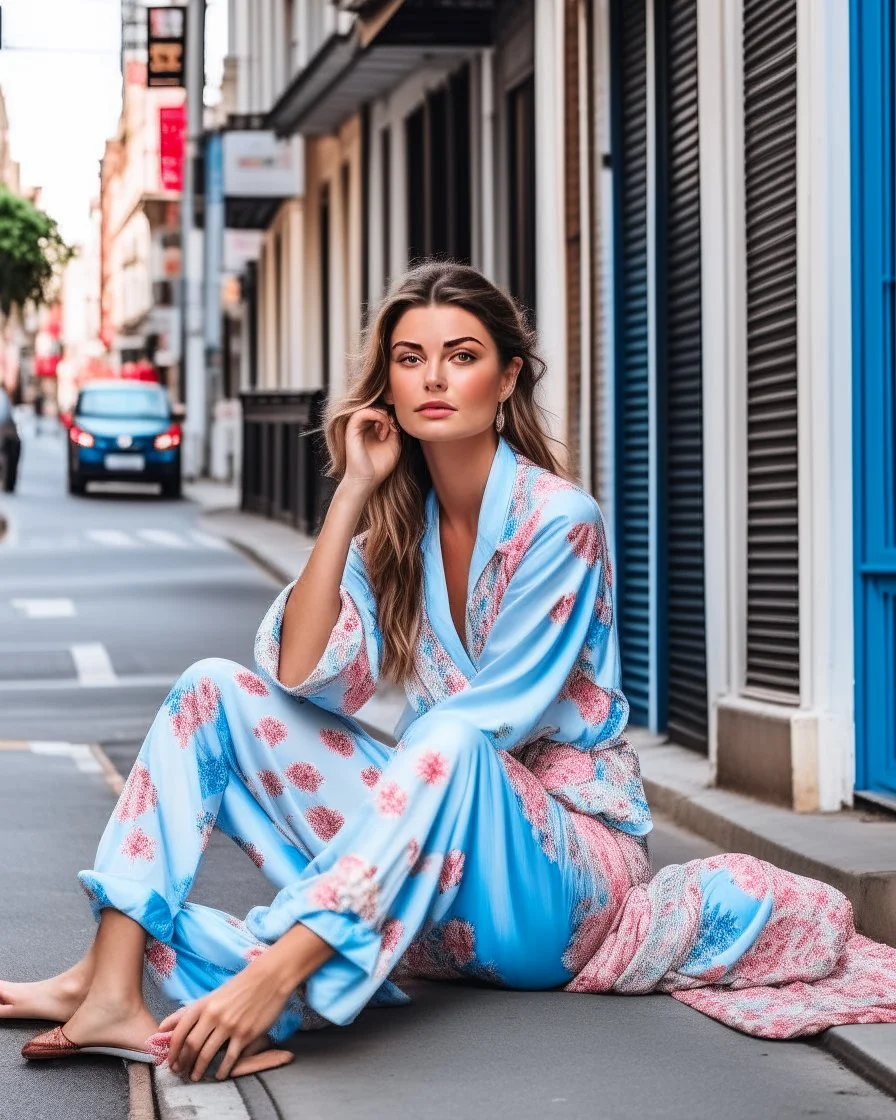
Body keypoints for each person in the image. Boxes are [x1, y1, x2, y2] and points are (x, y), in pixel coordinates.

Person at [2, 262, 895, 1084]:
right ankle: (109, 984)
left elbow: (495, 722)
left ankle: (282, 968)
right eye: (410, 358)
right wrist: (352, 491)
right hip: (425, 872)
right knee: (209, 688)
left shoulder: (561, 521)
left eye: (461, 356)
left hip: (561, 881)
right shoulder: (398, 522)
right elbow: (310, 672)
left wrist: (280, 961)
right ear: (385, 383)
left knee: (452, 738)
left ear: (507, 377)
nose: (433, 377)